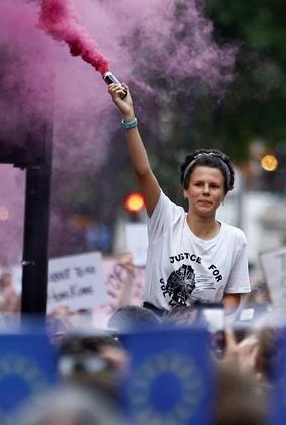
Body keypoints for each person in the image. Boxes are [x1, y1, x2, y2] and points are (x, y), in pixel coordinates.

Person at [107, 81, 251, 314]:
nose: (205, 191)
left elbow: (233, 297)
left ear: (224, 195)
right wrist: (129, 117)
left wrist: (212, 326)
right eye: (198, 184)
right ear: (186, 190)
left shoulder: (235, 239)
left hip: (201, 334)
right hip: (156, 328)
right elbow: (143, 171)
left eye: (214, 186)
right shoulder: (166, 218)